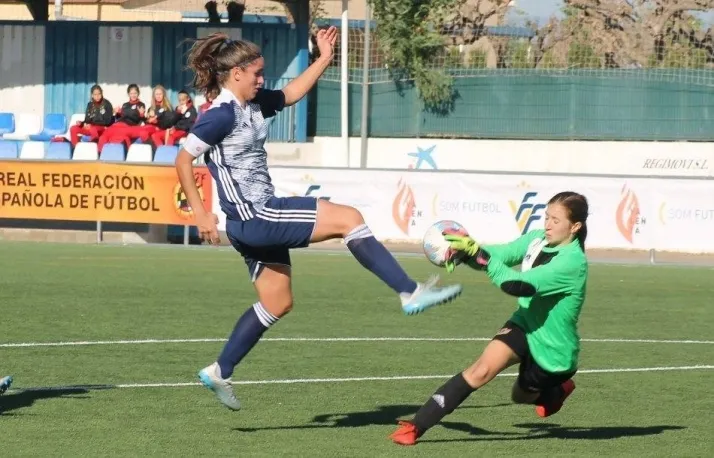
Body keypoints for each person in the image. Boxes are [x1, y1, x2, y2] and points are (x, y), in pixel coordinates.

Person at [175, 27, 463, 411]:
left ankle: (219, 370)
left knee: (277, 302)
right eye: (257, 73)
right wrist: (200, 213)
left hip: (248, 224)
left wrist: (325, 57)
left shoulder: (253, 104)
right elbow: (183, 159)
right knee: (349, 218)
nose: (262, 79)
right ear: (236, 73)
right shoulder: (221, 115)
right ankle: (409, 291)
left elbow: (291, 93)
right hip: (258, 215)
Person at [390, 191, 589, 446]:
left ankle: (556, 392)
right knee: (480, 370)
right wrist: (469, 253)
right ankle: (416, 426)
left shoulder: (572, 263)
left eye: (556, 220)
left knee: (520, 395)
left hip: (553, 350)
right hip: (525, 323)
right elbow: (501, 255)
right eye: (547, 217)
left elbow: (518, 284)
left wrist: (481, 258)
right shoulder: (537, 238)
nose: (548, 225)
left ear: (575, 226)